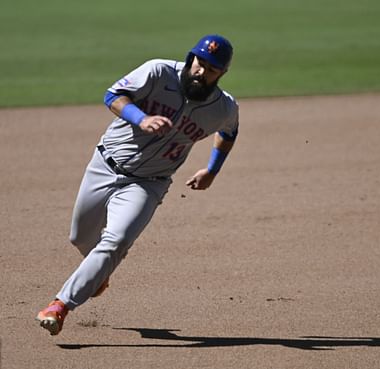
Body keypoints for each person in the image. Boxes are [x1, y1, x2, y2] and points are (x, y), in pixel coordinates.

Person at [35, 34, 239, 336]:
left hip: (148, 184)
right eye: (200, 63)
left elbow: (229, 132)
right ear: (191, 58)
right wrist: (141, 119)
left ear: (221, 74)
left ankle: (60, 305)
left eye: (211, 69)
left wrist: (211, 170)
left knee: (116, 242)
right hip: (104, 167)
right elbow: (113, 96)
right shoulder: (157, 72)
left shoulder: (223, 107)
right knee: (80, 238)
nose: (202, 71)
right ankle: (97, 275)